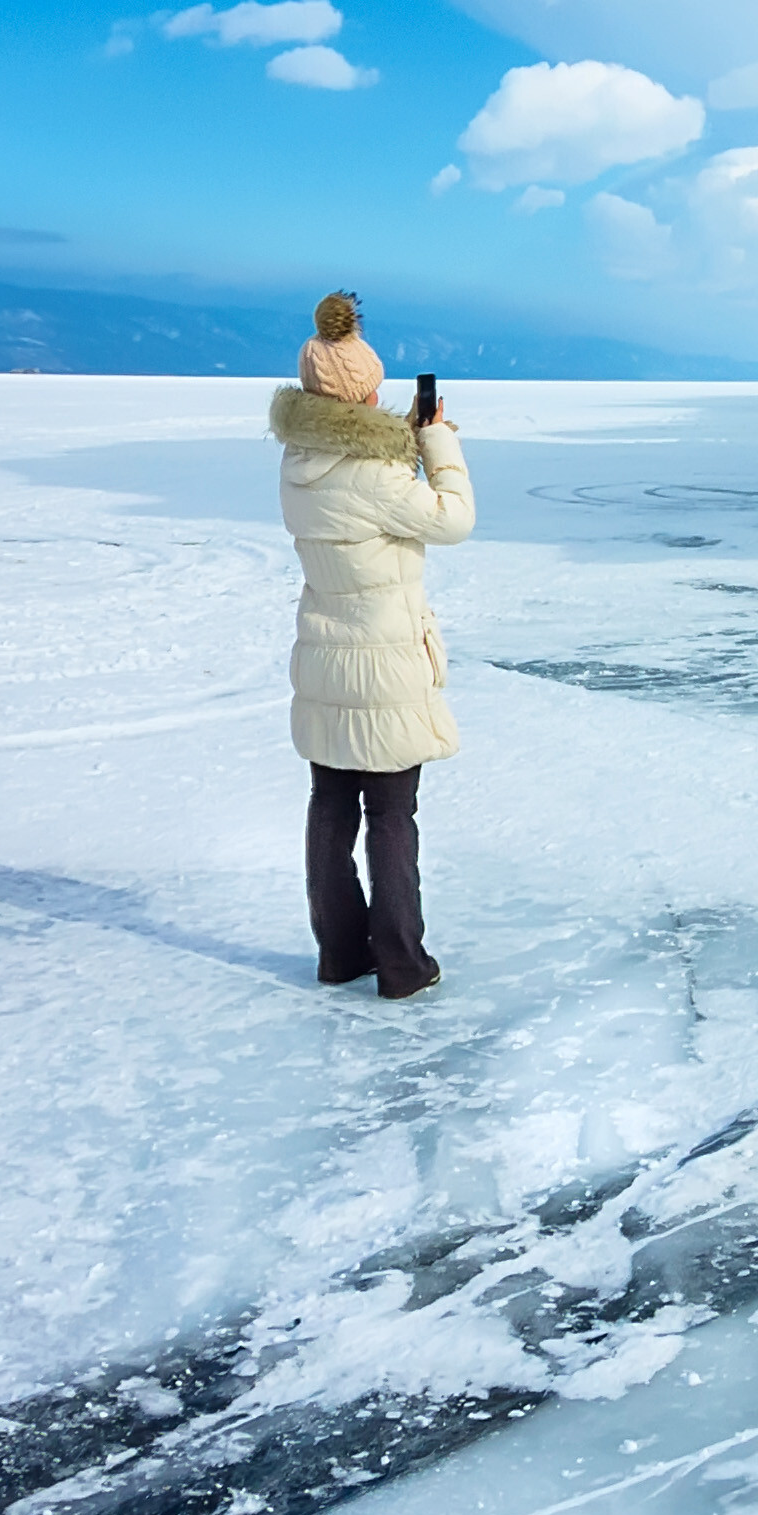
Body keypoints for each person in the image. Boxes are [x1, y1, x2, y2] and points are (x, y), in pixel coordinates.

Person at [271, 292, 472, 999]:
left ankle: (340, 952)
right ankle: (401, 963)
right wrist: (434, 442)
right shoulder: (378, 476)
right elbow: (453, 519)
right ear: (363, 388)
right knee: (390, 811)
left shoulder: (299, 463)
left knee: (330, 803)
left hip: (325, 660)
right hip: (382, 665)